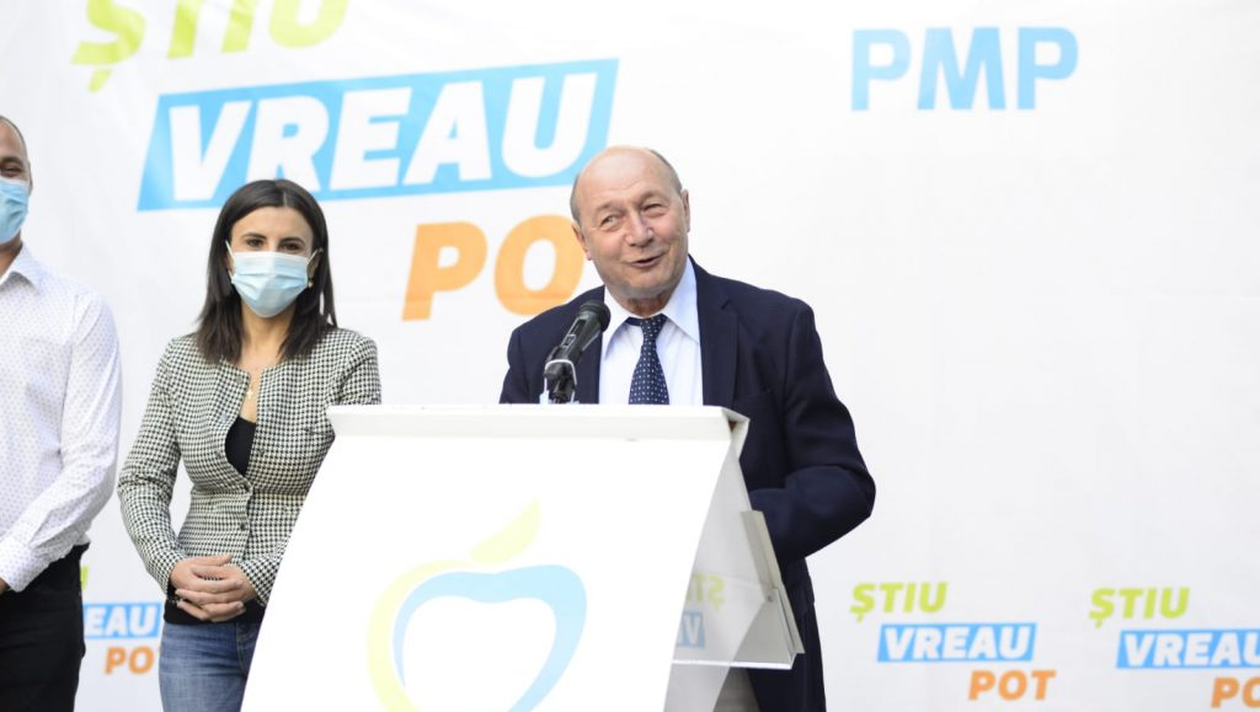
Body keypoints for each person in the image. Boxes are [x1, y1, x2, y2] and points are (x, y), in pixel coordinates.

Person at [500, 146, 875, 712]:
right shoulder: (546, 348)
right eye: (611, 219)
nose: (638, 233)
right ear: (583, 240)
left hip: (740, 654)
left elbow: (841, 481)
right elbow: (511, 496)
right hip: (590, 649)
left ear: (686, 209)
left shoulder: (774, 327)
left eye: (652, 207)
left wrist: (723, 534)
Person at [117, 179, 381, 712]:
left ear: (313, 263)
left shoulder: (349, 356)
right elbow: (141, 478)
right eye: (255, 242)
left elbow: (359, 493)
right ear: (227, 256)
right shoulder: (182, 358)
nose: (271, 256)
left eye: (290, 246)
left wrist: (259, 575)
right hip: (195, 619)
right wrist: (171, 567)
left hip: (304, 615)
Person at [0, 114, 122, 711]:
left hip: (35, 601)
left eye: (9, 168)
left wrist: (8, 565)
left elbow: (92, 467)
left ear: (30, 183)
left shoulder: (78, 310)